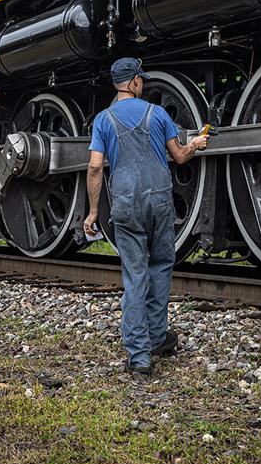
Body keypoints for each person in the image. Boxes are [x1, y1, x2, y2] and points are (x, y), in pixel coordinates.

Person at [84, 57, 208, 376]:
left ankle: (139, 357)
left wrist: (94, 211)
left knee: (135, 274)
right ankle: (156, 337)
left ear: (117, 84)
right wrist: (195, 143)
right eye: (142, 79)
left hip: (125, 204)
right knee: (161, 265)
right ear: (136, 82)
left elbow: (96, 167)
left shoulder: (103, 120)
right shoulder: (158, 113)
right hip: (159, 201)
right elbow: (180, 156)